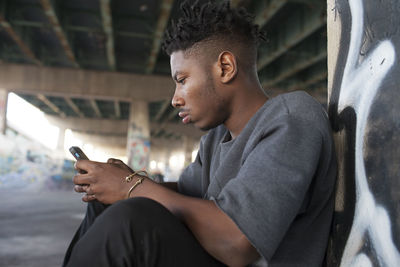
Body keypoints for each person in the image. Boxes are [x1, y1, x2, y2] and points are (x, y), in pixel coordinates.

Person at [62, 1, 337, 266]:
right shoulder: (215, 140)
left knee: (130, 220)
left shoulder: (292, 117)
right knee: (108, 204)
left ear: (225, 68)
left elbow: (237, 244)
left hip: (233, 257)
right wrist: (122, 180)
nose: (175, 99)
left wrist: (130, 188)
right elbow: (183, 196)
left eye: (182, 81)